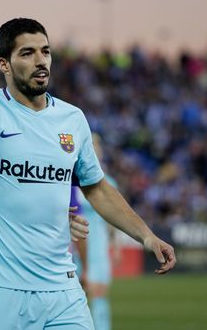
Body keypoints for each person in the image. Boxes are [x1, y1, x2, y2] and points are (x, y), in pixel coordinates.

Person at [0, 18, 176, 329]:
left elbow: (97, 188)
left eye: (45, 51)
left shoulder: (72, 119)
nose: (41, 60)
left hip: (63, 289)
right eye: (28, 53)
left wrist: (147, 236)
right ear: (4, 64)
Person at [70, 133, 122, 330]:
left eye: (96, 146)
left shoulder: (107, 182)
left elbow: (112, 219)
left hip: (98, 243)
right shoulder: (73, 179)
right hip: (75, 241)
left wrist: (115, 246)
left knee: (99, 292)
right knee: (77, 293)